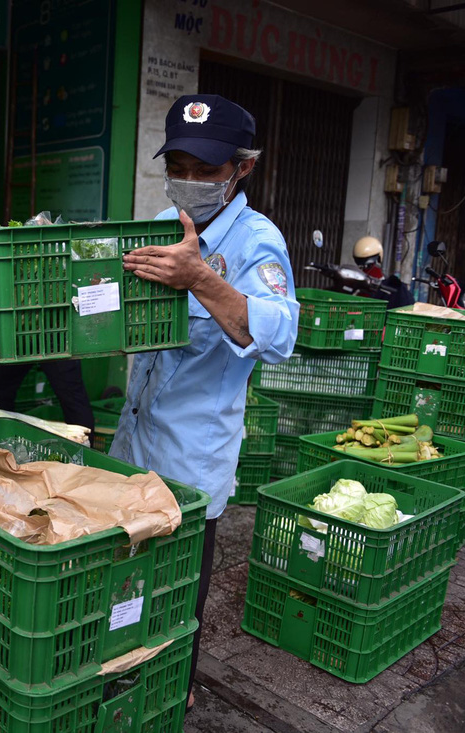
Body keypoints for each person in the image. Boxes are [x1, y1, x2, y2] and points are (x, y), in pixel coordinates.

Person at [111, 94, 299, 708]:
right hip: (134, 442)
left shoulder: (256, 242)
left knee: (176, 587)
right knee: (125, 577)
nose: (189, 181)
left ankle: (172, 692)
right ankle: (120, 673)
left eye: (207, 170)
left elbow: (275, 335)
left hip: (191, 458)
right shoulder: (162, 228)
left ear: (242, 169)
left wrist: (202, 279)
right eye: (180, 166)